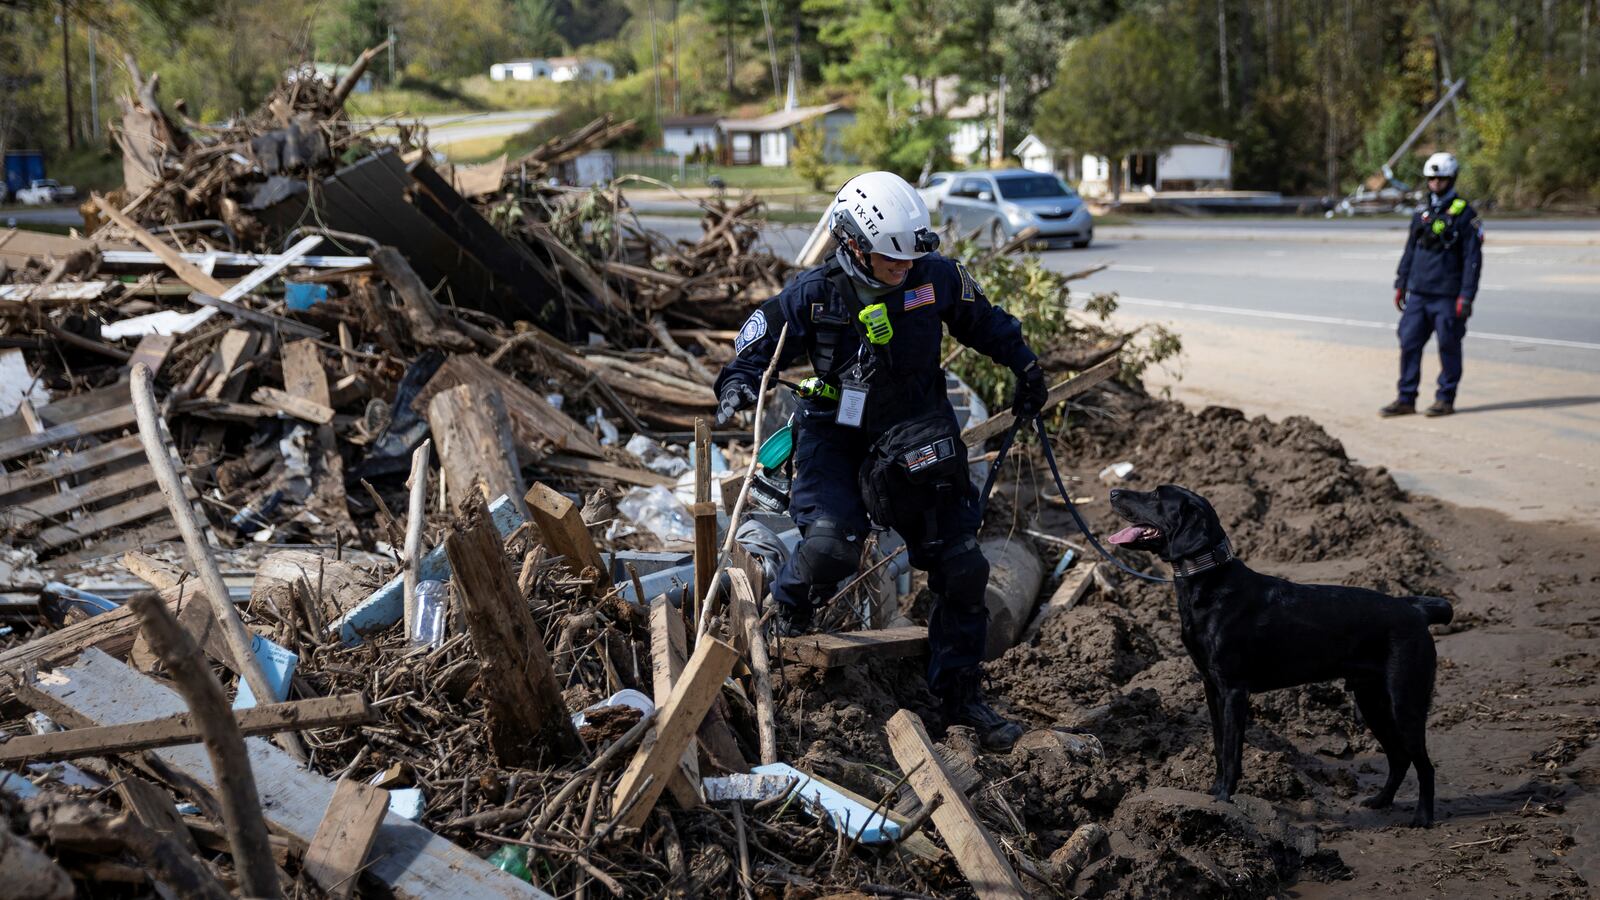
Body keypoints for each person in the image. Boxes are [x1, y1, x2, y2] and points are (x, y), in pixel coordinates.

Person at [713, 171, 1046, 751]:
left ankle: (960, 700)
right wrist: (737, 386)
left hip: (917, 433)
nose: (904, 269)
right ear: (852, 245)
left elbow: (985, 321)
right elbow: (751, 347)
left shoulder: (932, 276)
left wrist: (1026, 366)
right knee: (828, 546)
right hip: (835, 436)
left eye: (911, 259)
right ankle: (788, 607)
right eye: (892, 261)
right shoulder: (814, 295)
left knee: (963, 568)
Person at [1382, 151, 1484, 418]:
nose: (1435, 184)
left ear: (1451, 179)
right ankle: (1406, 399)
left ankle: (1445, 398)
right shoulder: (1421, 213)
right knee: (1408, 342)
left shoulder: (1465, 214)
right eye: (1431, 179)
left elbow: (1473, 259)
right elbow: (1410, 251)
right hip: (1419, 293)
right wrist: (1401, 282)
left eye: (1441, 179)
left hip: (1448, 295)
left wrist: (1467, 295)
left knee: (1449, 346)